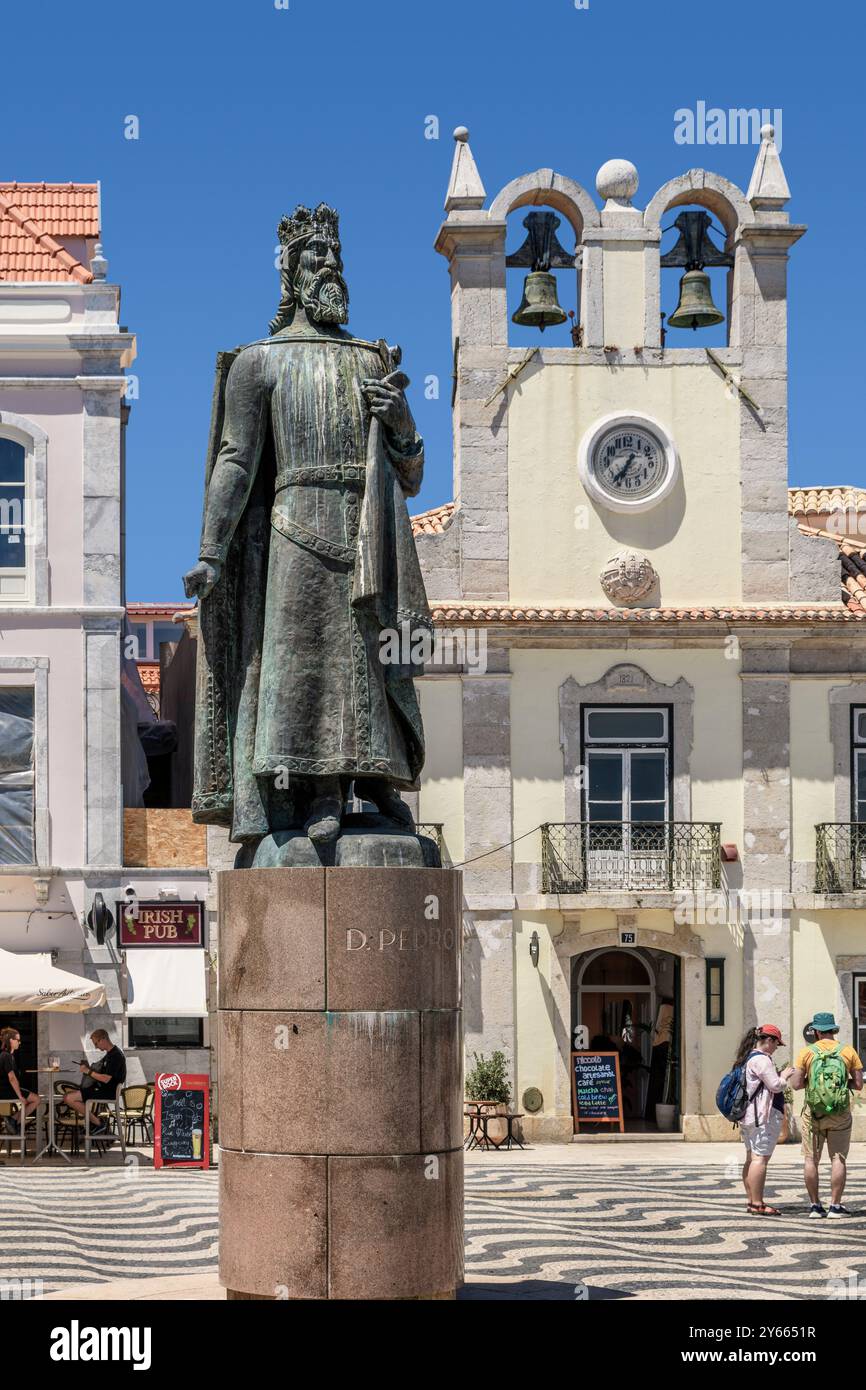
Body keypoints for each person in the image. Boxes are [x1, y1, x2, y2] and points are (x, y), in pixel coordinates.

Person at [788, 1011, 863, 1218]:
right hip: (840, 1113)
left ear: (816, 1032)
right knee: (838, 1158)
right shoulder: (848, 1051)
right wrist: (841, 1084)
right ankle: (835, 1207)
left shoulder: (806, 1052)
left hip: (813, 1113)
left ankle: (814, 1206)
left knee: (811, 1159)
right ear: (833, 1030)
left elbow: (795, 1085)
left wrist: (812, 1083)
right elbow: (858, 1085)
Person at [733, 1024, 793, 1216]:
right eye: (777, 1043)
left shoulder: (747, 1058)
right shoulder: (762, 1060)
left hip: (748, 1116)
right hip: (761, 1117)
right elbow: (775, 1086)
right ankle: (757, 1203)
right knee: (759, 1160)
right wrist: (784, 1075)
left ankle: (752, 1201)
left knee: (751, 1158)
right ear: (768, 1040)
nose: (777, 1047)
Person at [64, 1030, 127, 1137]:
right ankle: (92, 1123)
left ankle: (98, 1123)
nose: (96, 1047)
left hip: (107, 1092)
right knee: (68, 1096)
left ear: (103, 1039)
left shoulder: (115, 1055)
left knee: (69, 1098)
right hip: (101, 1089)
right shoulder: (110, 1054)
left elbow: (106, 1079)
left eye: (96, 1043)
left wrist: (88, 1071)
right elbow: (101, 1072)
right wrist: (90, 1069)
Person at [0, 1026, 40, 1134]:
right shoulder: (6, 1056)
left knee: (34, 1099)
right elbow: (12, 1078)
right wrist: (20, 1097)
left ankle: (13, 1120)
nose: (19, 1042)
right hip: (5, 1091)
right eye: (18, 1040)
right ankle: (13, 1120)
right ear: (11, 1040)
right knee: (36, 1099)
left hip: (6, 1090)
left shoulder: (7, 1055)